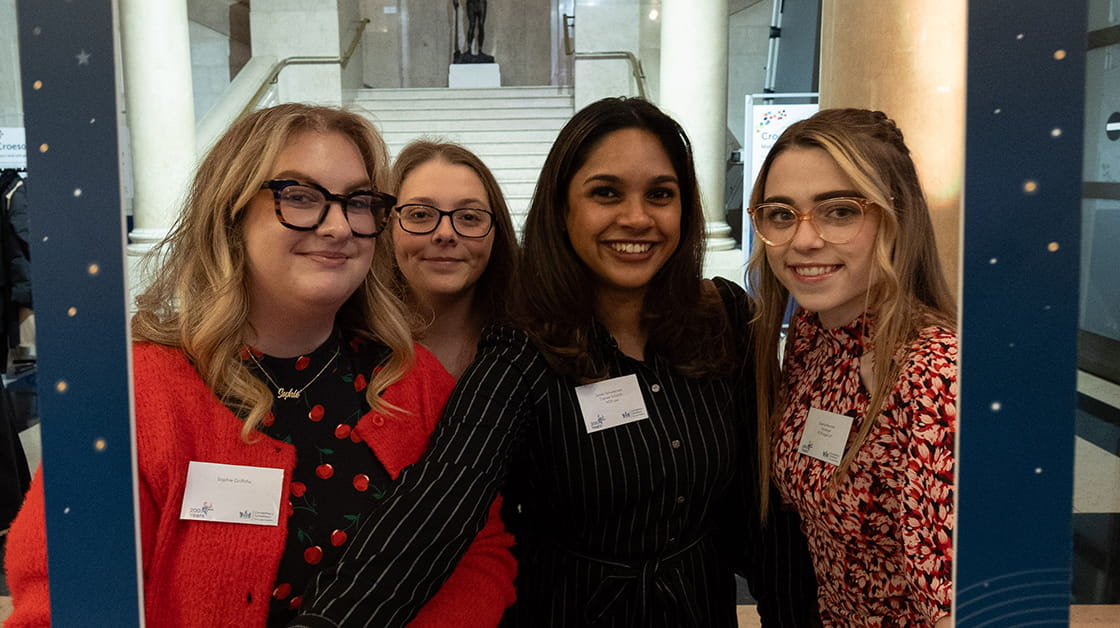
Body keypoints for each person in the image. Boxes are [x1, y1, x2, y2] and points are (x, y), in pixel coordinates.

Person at [291, 97, 818, 628]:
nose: (637, 218)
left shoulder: (724, 317)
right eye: (606, 193)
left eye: (660, 194)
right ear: (563, 209)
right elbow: (442, 499)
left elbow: (764, 511)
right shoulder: (522, 350)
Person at [4, 104, 516, 627]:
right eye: (300, 196)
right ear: (232, 213)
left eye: (358, 202)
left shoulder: (411, 380)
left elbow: (480, 552)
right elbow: (61, 605)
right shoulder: (129, 394)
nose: (338, 226)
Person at [746, 108, 956, 627]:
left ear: (898, 217)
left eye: (839, 211)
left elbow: (951, 603)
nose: (803, 240)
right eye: (781, 214)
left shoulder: (934, 372)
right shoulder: (814, 332)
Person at [373, 140, 518, 378]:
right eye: (420, 214)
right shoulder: (350, 346)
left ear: (497, 232)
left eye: (469, 217)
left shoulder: (534, 346)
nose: (445, 234)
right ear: (389, 227)